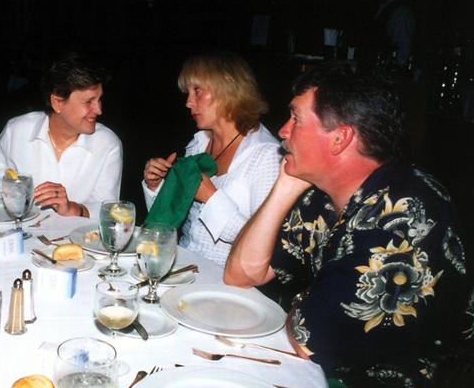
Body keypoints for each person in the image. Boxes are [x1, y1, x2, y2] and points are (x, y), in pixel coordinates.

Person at [224, 63, 472, 386]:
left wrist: (303, 303)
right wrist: (284, 187)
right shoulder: (323, 195)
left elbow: (309, 338)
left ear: (340, 138)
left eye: (296, 119)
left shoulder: (405, 219)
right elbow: (241, 274)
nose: (283, 131)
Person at [142, 52, 281, 267]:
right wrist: (156, 186)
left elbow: (263, 244)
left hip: (227, 276)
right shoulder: (199, 143)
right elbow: (169, 219)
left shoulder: (265, 155)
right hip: (184, 265)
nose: (188, 102)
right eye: (188, 93)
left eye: (197, 91)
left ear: (227, 88)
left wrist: (210, 197)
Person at [0, 52, 122, 218]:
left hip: (78, 235)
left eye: (99, 99)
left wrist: (73, 209)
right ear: (57, 102)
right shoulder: (17, 131)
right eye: (88, 101)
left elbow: (108, 210)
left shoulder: (107, 144)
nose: (99, 110)